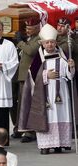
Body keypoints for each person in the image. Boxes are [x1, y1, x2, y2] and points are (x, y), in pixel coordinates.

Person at [20, 24, 75, 154]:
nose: (50, 45)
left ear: (56, 42)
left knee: (61, 115)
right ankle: (45, 145)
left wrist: (70, 67)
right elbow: (32, 76)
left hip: (61, 92)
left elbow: (69, 76)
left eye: (52, 42)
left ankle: (60, 144)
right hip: (45, 94)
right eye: (47, 42)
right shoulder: (39, 58)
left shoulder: (62, 55)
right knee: (48, 117)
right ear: (42, 43)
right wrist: (46, 75)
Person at [14, 18, 41, 142]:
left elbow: (30, 51)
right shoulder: (29, 38)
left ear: (37, 27)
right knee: (21, 104)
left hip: (31, 77)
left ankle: (30, 132)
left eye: (30, 28)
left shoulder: (40, 38)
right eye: (26, 28)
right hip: (22, 76)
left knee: (29, 104)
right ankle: (20, 128)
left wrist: (20, 42)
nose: (27, 31)